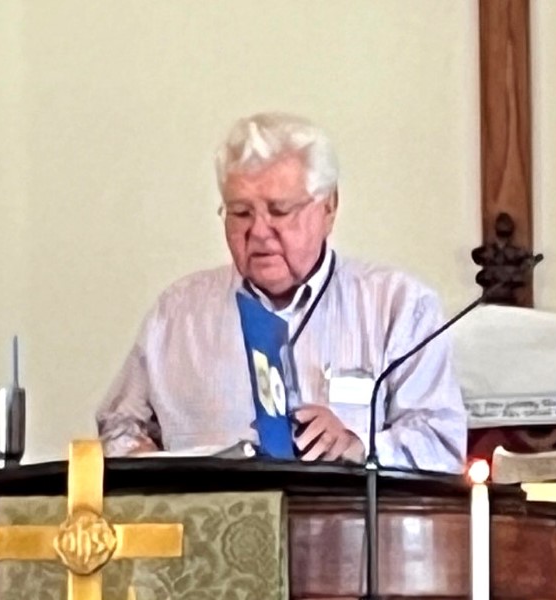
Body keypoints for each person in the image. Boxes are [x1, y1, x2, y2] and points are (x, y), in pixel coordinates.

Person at [96, 112, 467, 472]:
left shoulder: (398, 306)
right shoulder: (178, 314)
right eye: (241, 213)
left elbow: (441, 445)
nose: (259, 231)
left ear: (329, 207)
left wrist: (359, 448)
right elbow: (118, 425)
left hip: (347, 514)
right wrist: (147, 466)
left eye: (279, 211)